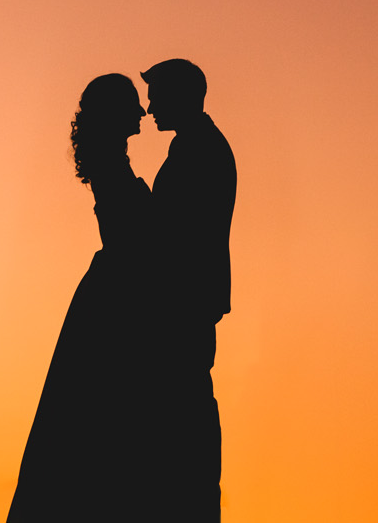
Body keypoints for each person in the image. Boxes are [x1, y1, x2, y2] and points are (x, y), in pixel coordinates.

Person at [7, 73, 165, 522]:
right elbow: (136, 236)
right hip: (117, 297)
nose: (141, 112)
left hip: (114, 289)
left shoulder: (112, 160)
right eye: (133, 105)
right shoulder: (112, 165)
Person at [142, 57, 236, 523]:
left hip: (185, 304)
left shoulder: (200, 149)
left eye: (157, 96)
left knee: (183, 413)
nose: (150, 106)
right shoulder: (196, 146)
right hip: (186, 303)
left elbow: (173, 231)